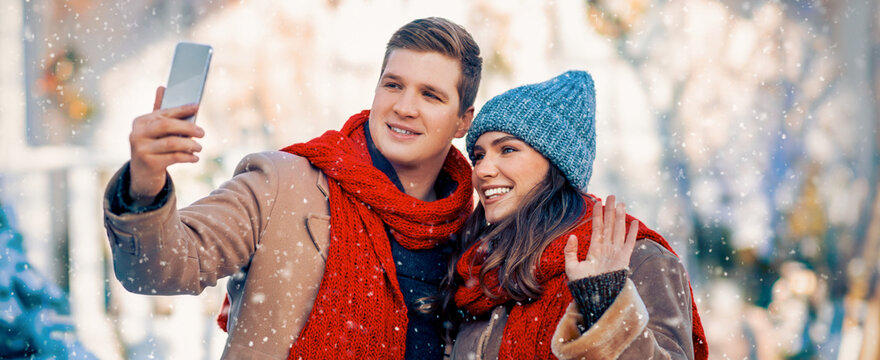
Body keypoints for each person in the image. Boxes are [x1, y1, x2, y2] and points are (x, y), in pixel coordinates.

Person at [103, 17, 481, 359]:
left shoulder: (474, 234)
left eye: (430, 95)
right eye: (393, 85)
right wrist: (144, 184)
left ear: (463, 121)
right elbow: (157, 269)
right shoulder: (284, 186)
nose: (404, 107)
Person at [441, 71, 709, 359]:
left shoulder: (635, 258)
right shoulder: (478, 269)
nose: (481, 170)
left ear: (556, 163)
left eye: (507, 149)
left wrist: (603, 302)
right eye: (479, 156)